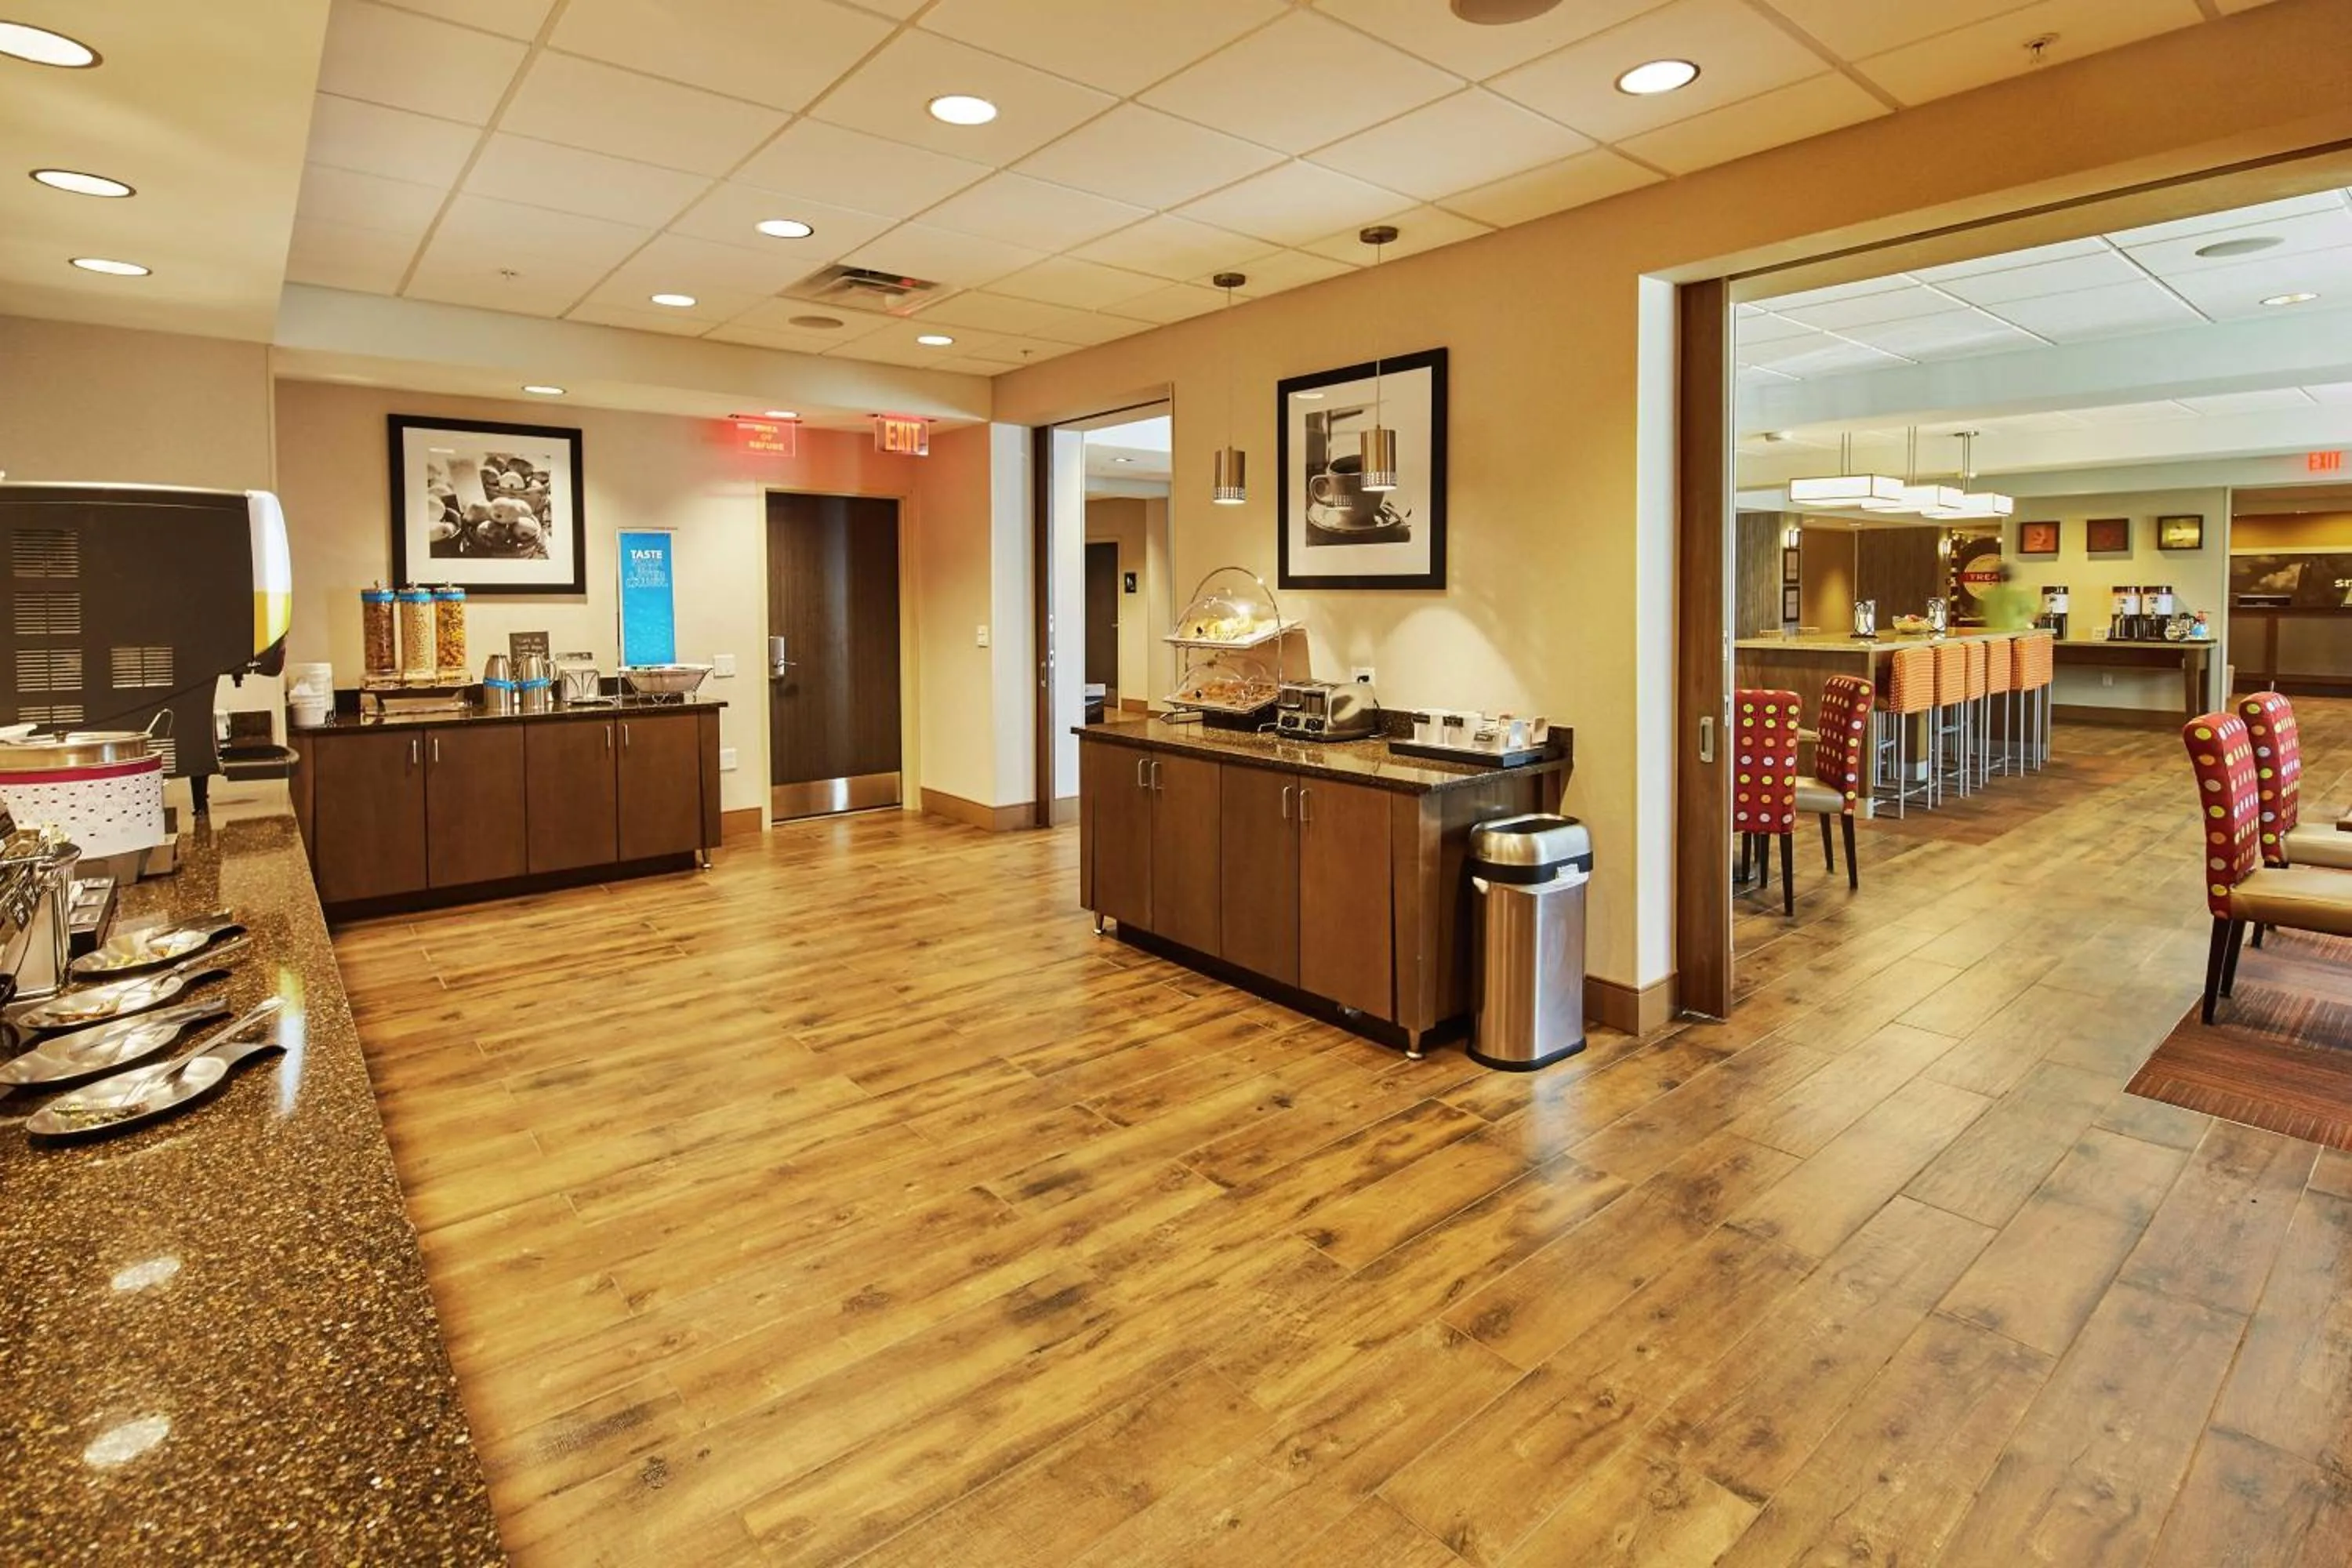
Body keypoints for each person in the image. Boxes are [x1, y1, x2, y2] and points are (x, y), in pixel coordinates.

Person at [1980, 562, 2035, 632]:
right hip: (2015, 634)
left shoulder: (1989, 595)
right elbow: (2032, 616)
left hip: (1992, 636)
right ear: (2013, 576)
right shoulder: (2021, 595)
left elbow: (1980, 614)